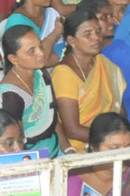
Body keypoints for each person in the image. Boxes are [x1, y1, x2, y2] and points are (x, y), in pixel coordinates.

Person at [50, 10, 125, 151]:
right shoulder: (64, 73)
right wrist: (110, 142)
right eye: (88, 34)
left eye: (98, 31)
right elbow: (72, 130)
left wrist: (122, 138)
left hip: (113, 143)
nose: (96, 38)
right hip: (82, 148)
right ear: (72, 40)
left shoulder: (105, 64)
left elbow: (119, 112)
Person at [0, 24, 68, 156]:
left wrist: (68, 149)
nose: (41, 53)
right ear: (13, 59)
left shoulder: (41, 74)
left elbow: (52, 117)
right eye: (31, 51)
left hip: (55, 148)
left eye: (40, 46)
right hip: (31, 157)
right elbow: (15, 144)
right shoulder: (10, 95)